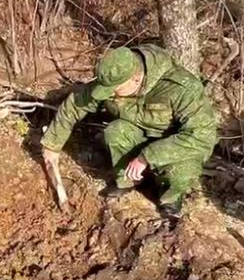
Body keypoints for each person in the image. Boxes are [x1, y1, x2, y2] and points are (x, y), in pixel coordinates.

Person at [41, 45, 217, 226]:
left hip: (175, 144)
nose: (110, 94)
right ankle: (128, 181)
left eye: (114, 90)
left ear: (136, 79)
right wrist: (52, 144)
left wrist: (147, 157)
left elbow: (200, 137)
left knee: (181, 172)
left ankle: (170, 197)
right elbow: (75, 105)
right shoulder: (117, 74)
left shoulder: (183, 88)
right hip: (138, 134)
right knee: (115, 131)